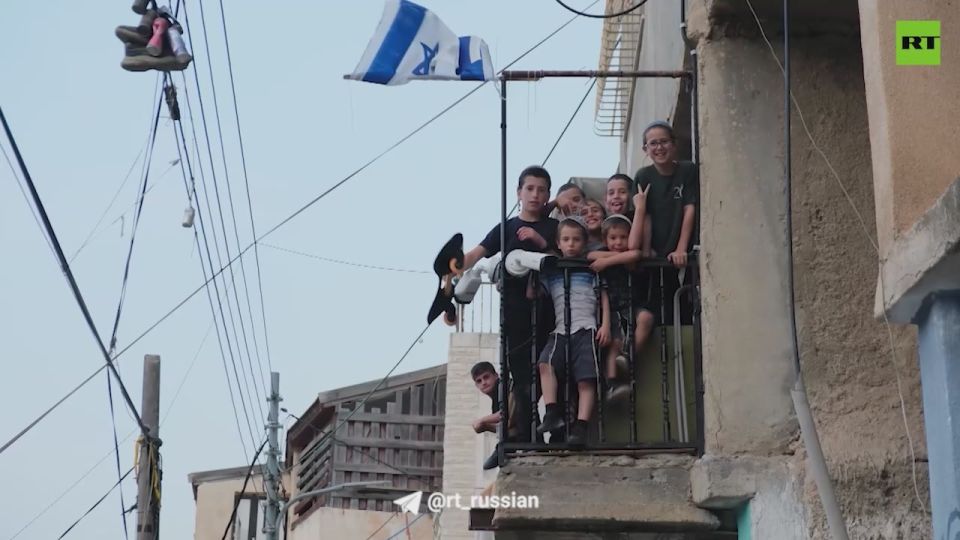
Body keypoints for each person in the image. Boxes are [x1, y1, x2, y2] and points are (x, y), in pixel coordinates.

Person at [461, 165, 558, 443]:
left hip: (547, 310)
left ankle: (535, 432)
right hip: (514, 314)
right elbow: (476, 255)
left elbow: (561, 254)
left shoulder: (553, 227)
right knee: (519, 377)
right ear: (518, 193)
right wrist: (453, 266)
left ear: (547, 194)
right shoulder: (507, 228)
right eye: (529, 188)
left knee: (545, 370)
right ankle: (525, 435)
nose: (535, 195)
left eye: (541, 190)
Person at [533, 217, 611, 447]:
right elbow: (535, 292)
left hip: (586, 328)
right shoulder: (554, 271)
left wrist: (605, 324)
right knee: (545, 364)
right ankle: (551, 413)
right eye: (566, 239)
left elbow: (603, 296)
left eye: (576, 240)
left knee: (586, 378)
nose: (571, 244)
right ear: (558, 243)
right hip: (561, 329)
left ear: (585, 243)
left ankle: (581, 427)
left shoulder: (590, 269)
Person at [632, 121, 698, 325]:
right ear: (645, 149)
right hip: (657, 251)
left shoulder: (688, 170)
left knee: (689, 302)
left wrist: (681, 249)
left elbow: (690, 209)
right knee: (661, 303)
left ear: (673, 144)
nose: (659, 148)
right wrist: (645, 248)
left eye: (664, 142)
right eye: (653, 144)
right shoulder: (643, 176)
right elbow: (646, 216)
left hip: (685, 248)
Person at [587, 214, 653, 402]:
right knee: (614, 342)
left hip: (630, 305)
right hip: (611, 309)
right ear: (604, 239)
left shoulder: (624, 257)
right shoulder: (599, 251)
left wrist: (607, 262)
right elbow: (590, 255)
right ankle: (613, 382)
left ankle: (629, 355)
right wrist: (619, 257)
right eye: (613, 238)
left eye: (623, 237)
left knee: (646, 318)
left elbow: (635, 254)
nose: (618, 242)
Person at [470, 361, 513, 470]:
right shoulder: (496, 395)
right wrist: (486, 426)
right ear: (476, 385)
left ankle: (502, 449)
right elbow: (505, 424)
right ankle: (501, 449)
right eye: (479, 381)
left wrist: (482, 421)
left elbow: (504, 414)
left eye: (486, 377)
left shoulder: (501, 387)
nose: (483, 382)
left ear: (496, 375)